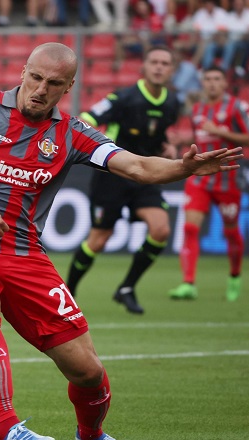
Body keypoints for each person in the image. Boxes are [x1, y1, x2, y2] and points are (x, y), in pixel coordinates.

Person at [0, 42, 242, 440]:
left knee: (87, 371)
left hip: (25, 255)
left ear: (69, 87)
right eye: (35, 78)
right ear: (23, 71)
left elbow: (136, 166)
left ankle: (92, 435)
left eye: (54, 83)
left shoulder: (72, 133)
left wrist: (182, 168)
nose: (40, 89)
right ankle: (8, 429)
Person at [66, 46, 180, 314]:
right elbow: (86, 119)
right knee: (99, 239)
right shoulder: (123, 98)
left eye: (165, 63)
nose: (159, 67)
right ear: (144, 66)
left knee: (161, 230)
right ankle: (68, 293)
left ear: (171, 70)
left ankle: (127, 287)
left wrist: (168, 147)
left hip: (145, 175)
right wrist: (97, 144)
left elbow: (157, 133)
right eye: (154, 62)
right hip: (113, 176)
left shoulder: (172, 103)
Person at [168, 67, 249, 302]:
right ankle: (188, 283)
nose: (211, 83)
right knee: (190, 228)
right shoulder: (197, 109)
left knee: (231, 232)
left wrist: (218, 130)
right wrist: (183, 140)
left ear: (225, 83)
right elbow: (201, 139)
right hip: (200, 178)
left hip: (228, 180)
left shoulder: (236, 107)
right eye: (207, 79)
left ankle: (235, 276)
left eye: (217, 79)